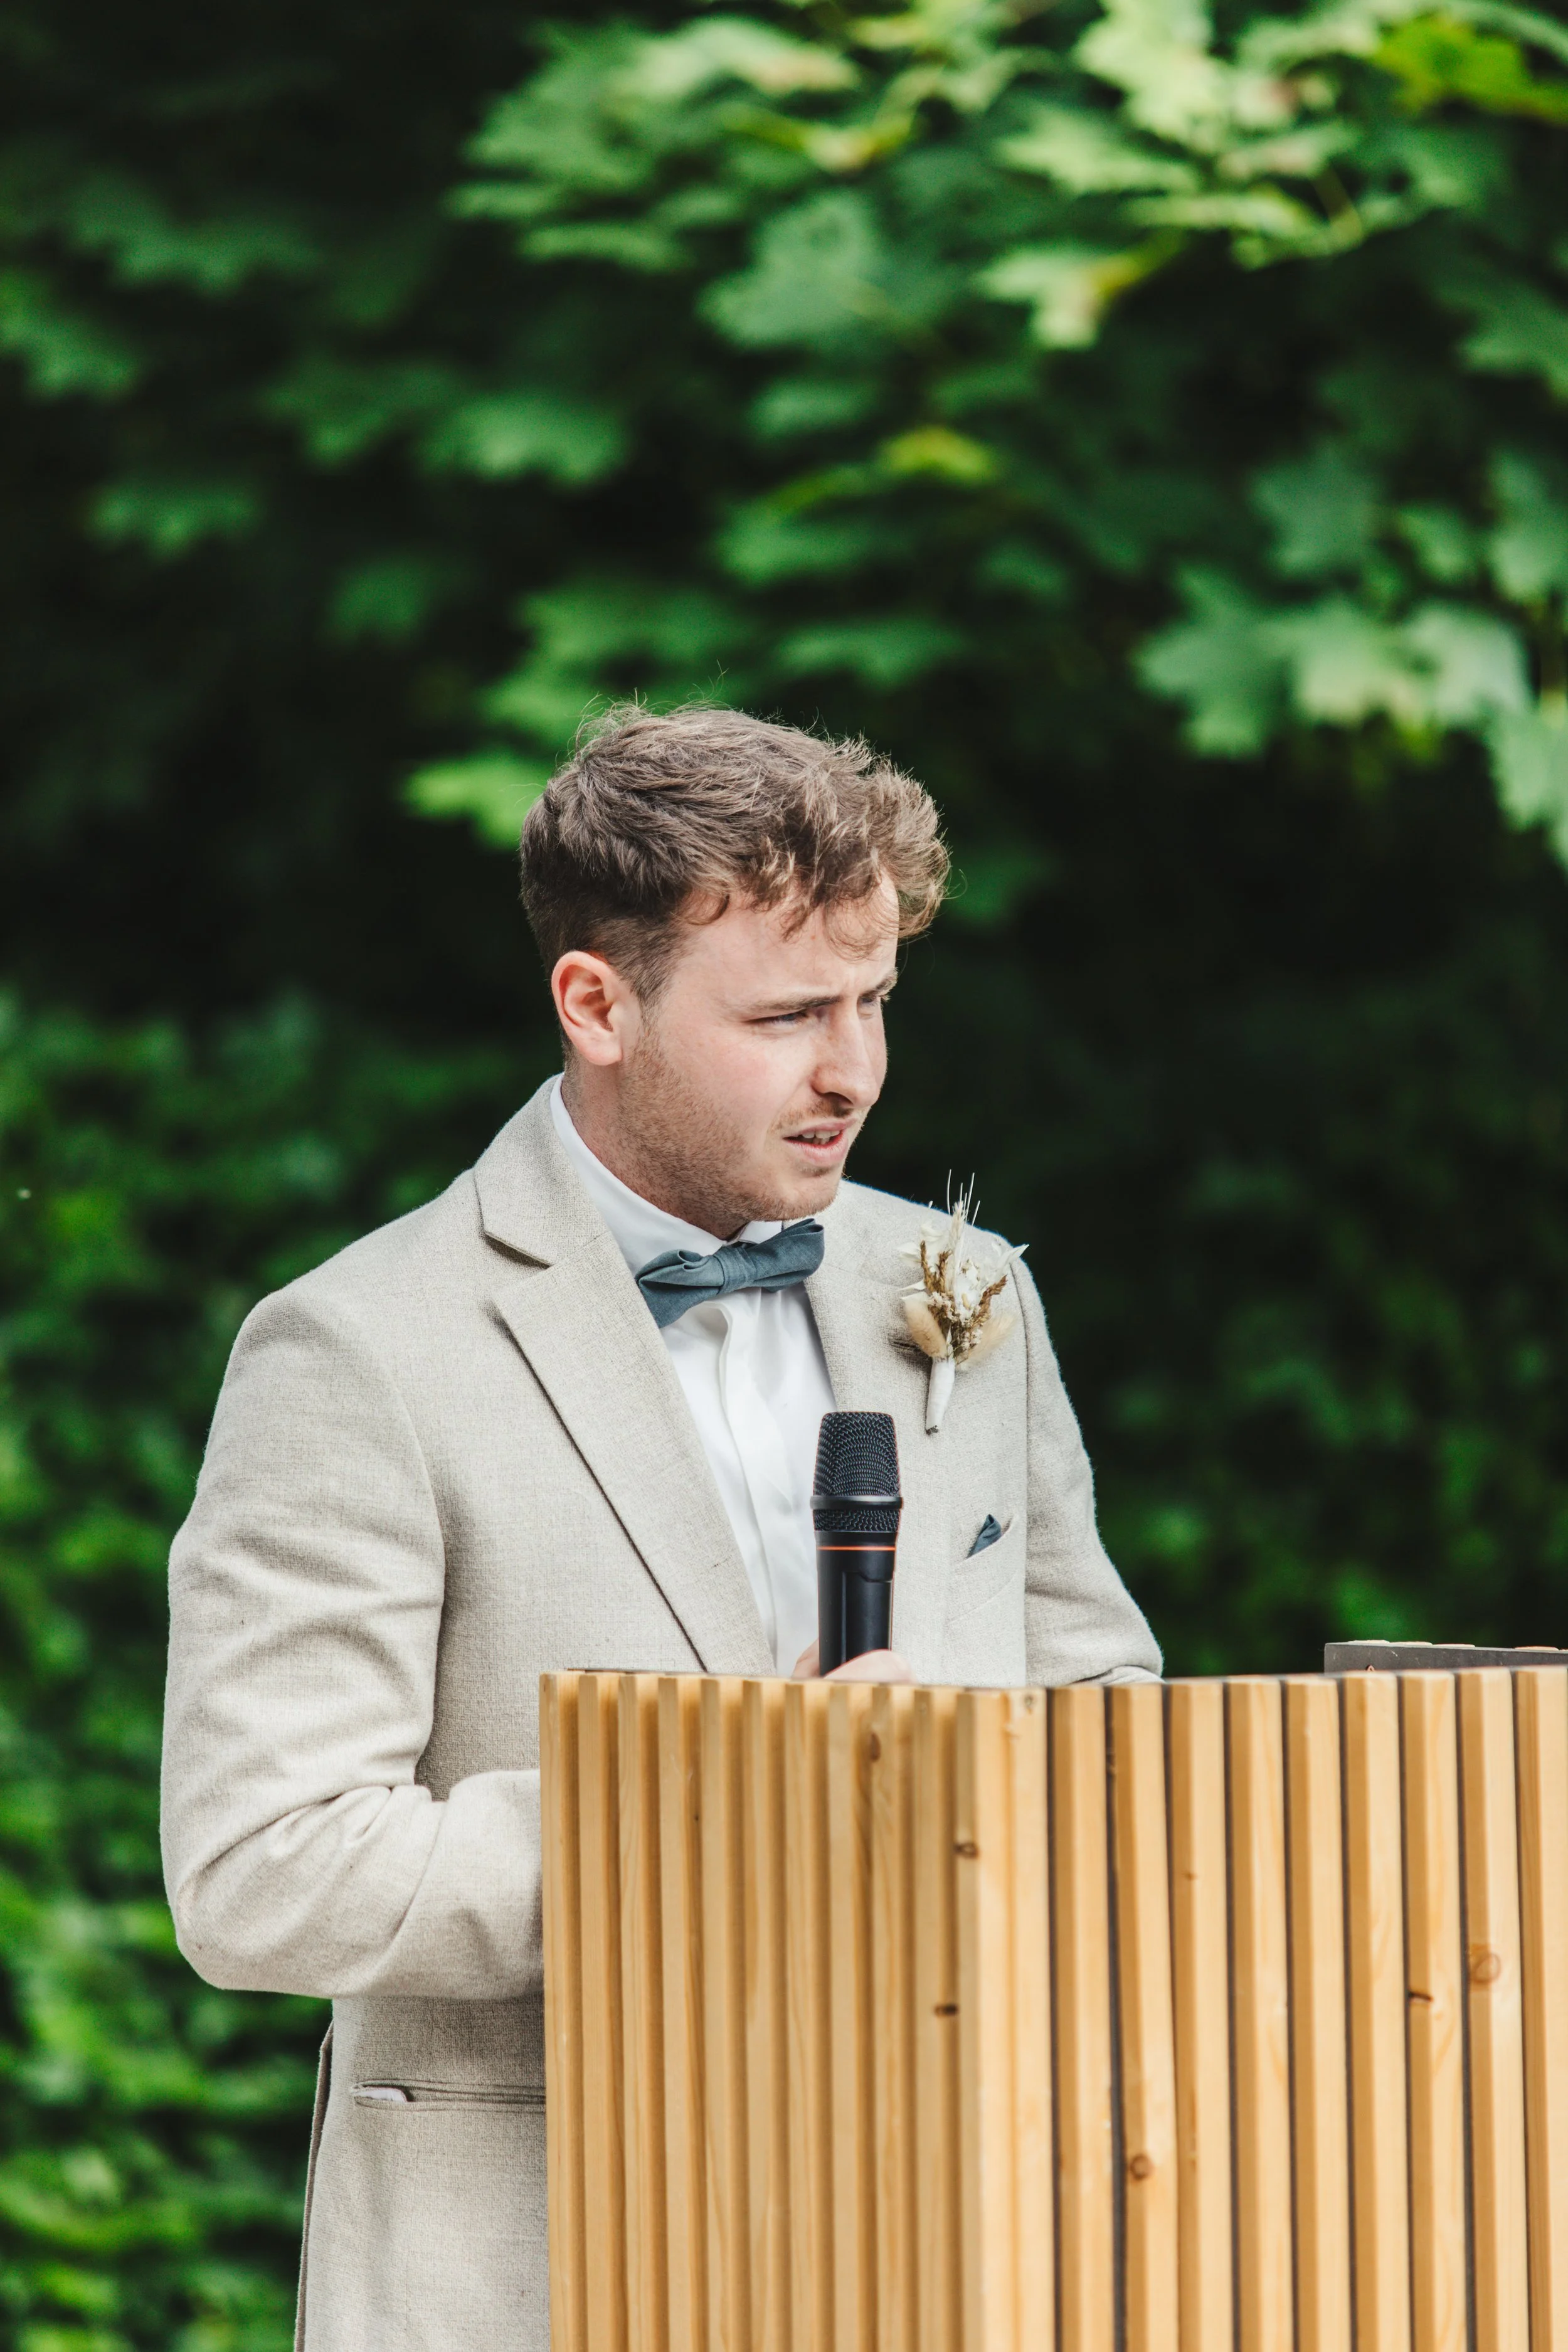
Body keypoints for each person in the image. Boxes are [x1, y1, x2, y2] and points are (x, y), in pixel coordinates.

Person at [160, 704, 1159, 2351]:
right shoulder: (356, 1349)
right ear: (595, 1001)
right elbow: (259, 1870)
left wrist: (991, 1780)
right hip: (546, 2272)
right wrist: (718, 1811)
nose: (852, 1070)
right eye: (785, 1015)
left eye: (873, 1001)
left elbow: (1105, 1712)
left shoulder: (964, 1292)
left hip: (963, 2246)